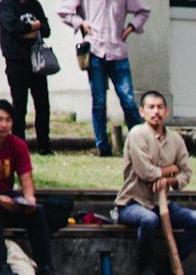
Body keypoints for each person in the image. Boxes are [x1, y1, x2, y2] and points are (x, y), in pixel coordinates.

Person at [113, 89, 196, 275]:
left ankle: (167, 265)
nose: (156, 112)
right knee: (149, 220)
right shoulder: (137, 134)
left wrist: (170, 179)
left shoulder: (176, 140)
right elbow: (147, 172)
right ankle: (144, 266)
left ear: (166, 111)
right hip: (132, 203)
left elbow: (186, 173)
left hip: (161, 203)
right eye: (151, 107)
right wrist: (170, 168)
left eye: (160, 107)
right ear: (141, 112)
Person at [0, 98, 58, 275]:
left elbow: (26, 179)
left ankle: (46, 266)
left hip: (4, 199)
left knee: (37, 213)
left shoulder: (18, 145)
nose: (3, 125)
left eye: (8, 120)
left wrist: (29, 199)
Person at [55, 0, 146, 157]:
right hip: (95, 51)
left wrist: (131, 28)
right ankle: (103, 148)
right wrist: (80, 22)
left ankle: (141, 146)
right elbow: (62, 10)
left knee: (129, 101)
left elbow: (143, 12)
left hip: (118, 52)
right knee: (99, 102)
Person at [0, 0, 52, 154]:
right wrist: (35, 26)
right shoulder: (7, 5)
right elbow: (13, 27)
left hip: (37, 62)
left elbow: (47, 29)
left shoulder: (35, 5)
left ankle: (44, 145)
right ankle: (18, 146)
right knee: (20, 106)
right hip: (16, 62)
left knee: (42, 104)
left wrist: (27, 31)